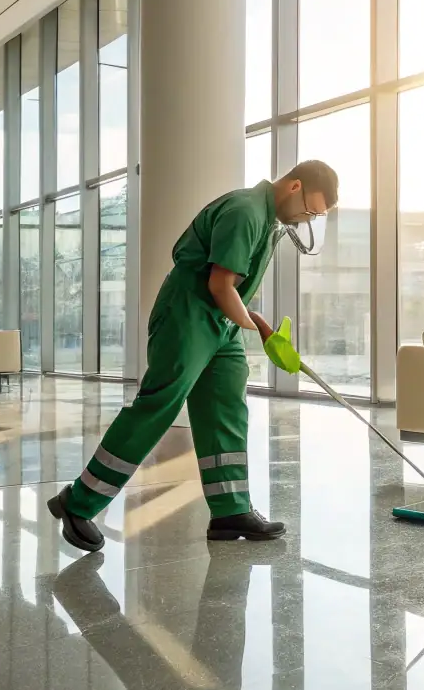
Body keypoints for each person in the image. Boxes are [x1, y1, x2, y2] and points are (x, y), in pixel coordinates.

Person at [48, 161, 338, 551]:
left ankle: (231, 509)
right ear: (294, 186)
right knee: (159, 406)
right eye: (310, 210)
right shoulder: (245, 212)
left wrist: (250, 323)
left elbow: (233, 287)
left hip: (220, 322)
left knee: (226, 407)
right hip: (188, 314)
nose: (307, 219)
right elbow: (219, 284)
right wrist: (261, 331)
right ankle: (78, 502)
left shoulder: (268, 222)